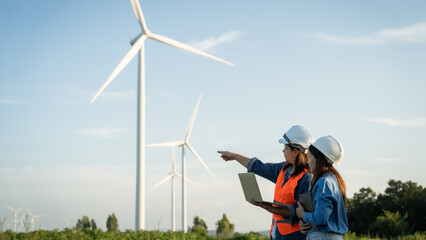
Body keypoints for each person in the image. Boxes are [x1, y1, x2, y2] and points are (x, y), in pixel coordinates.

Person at [218, 125, 314, 240]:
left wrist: (263, 205)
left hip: (294, 236)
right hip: (277, 233)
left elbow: (297, 211)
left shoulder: (306, 177)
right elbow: (258, 166)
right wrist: (234, 156)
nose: (283, 150)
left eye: (286, 147)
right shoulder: (282, 170)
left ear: (295, 151)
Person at [295, 135, 348, 240]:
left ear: (319, 159)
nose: (307, 161)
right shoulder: (332, 180)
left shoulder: (324, 182)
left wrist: (303, 214)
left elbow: (320, 218)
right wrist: (306, 225)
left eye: (310, 157)